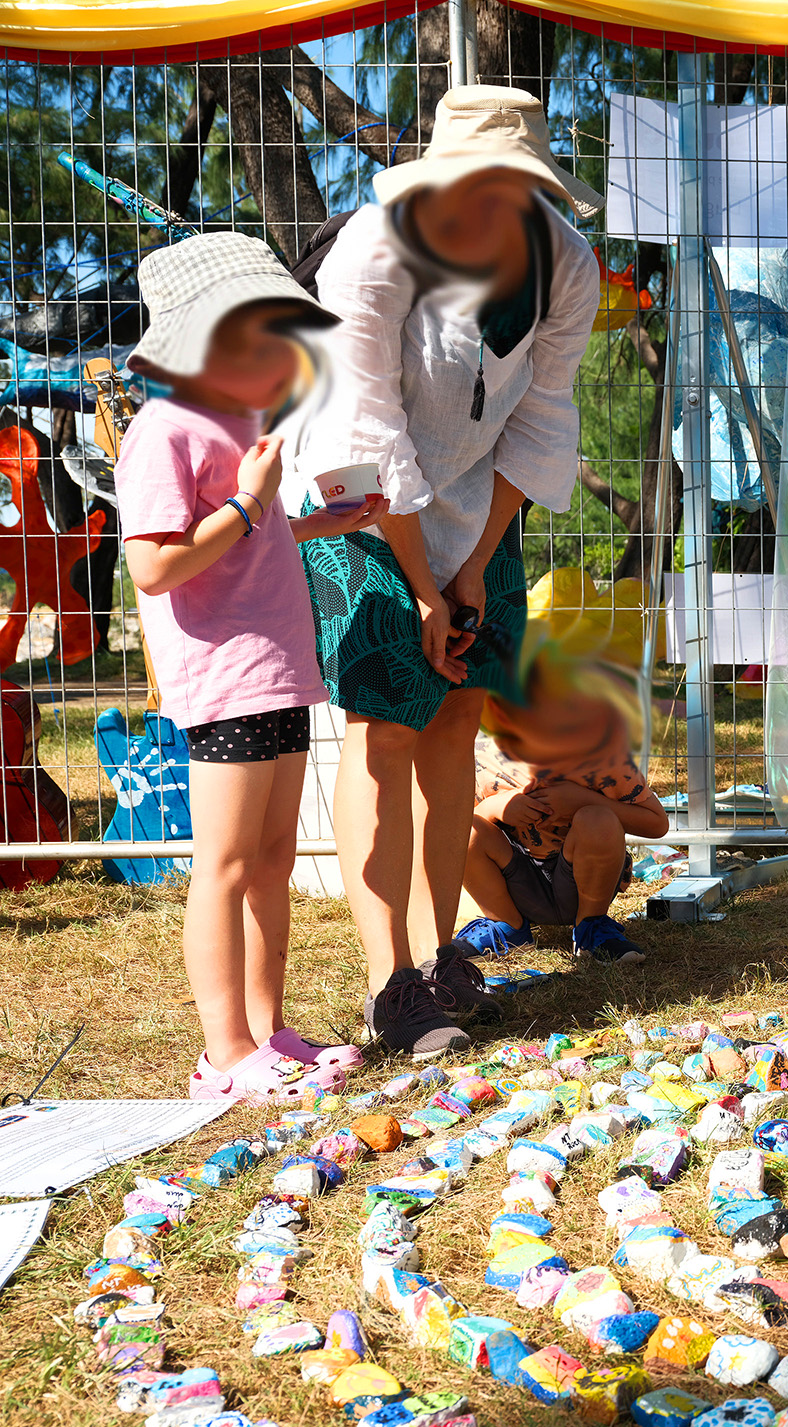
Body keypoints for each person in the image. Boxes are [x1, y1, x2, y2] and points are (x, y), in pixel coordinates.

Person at [294, 87, 601, 1056]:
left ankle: (439, 956)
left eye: (519, 189)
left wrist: (473, 562)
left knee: (457, 710)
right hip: (363, 506)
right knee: (384, 728)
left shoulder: (566, 264)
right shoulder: (374, 256)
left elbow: (543, 419)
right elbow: (368, 434)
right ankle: (388, 984)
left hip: (478, 503)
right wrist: (428, 585)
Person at [117, 233, 388, 1100]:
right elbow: (157, 565)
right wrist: (248, 502)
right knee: (227, 865)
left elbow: (243, 546)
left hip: (278, 671)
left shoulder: (242, 428)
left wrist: (315, 524)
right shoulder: (163, 432)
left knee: (272, 859)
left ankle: (270, 1033)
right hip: (226, 676)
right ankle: (225, 1054)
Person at [455, 572, 669, 965]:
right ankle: (505, 925)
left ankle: (592, 928)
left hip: (586, 880)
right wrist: (499, 808)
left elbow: (656, 824)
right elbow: (466, 821)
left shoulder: (602, 758)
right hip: (517, 881)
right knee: (460, 830)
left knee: (598, 820)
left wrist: (584, 801)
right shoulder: (486, 756)